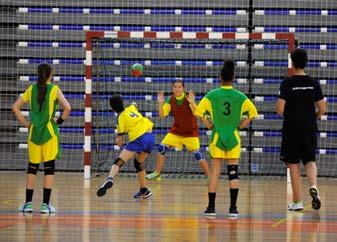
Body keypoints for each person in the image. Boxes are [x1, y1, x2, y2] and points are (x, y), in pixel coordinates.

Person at [195, 60, 258, 217]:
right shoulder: (240, 96)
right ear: (233, 78)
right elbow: (252, 114)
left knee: (215, 173)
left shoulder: (212, 95)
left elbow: (198, 112)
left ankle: (211, 208)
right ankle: (233, 209)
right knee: (233, 173)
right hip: (233, 138)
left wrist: (208, 124)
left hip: (217, 138)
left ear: (220, 78)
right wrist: (240, 126)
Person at [12, 63, 71, 213]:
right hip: (49, 133)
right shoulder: (54, 89)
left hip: (34, 134)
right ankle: (45, 205)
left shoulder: (31, 89)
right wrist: (57, 123)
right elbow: (68, 108)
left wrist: (26, 124)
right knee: (49, 169)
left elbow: (15, 107)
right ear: (51, 74)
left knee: (32, 168)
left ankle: (28, 204)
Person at [276, 48, 326, 211]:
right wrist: (313, 117)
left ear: (292, 62)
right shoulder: (313, 82)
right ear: (306, 62)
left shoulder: (287, 83)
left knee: (293, 163)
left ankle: (297, 202)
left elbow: (280, 109)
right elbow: (323, 108)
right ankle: (313, 186)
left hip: (292, 129)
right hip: (309, 127)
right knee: (310, 160)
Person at [146, 80, 210, 181]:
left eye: (179, 87)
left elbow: (197, 113)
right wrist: (160, 103)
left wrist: (193, 103)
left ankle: (210, 177)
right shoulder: (170, 99)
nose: (177, 89)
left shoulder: (188, 98)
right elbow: (162, 115)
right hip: (176, 131)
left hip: (190, 133)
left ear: (183, 88)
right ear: (172, 89)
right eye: (175, 87)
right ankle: (157, 174)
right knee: (161, 149)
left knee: (198, 155)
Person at [97, 94, 155, 198]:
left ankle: (110, 178)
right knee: (138, 163)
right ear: (122, 103)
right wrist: (133, 104)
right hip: (150, 137)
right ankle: (144, 190)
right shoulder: (131, 108)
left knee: (119, 161)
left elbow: (120, 143)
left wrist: (117, 141)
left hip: (139, 139)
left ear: (112, 108)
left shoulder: (120, 118)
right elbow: (134, 104)